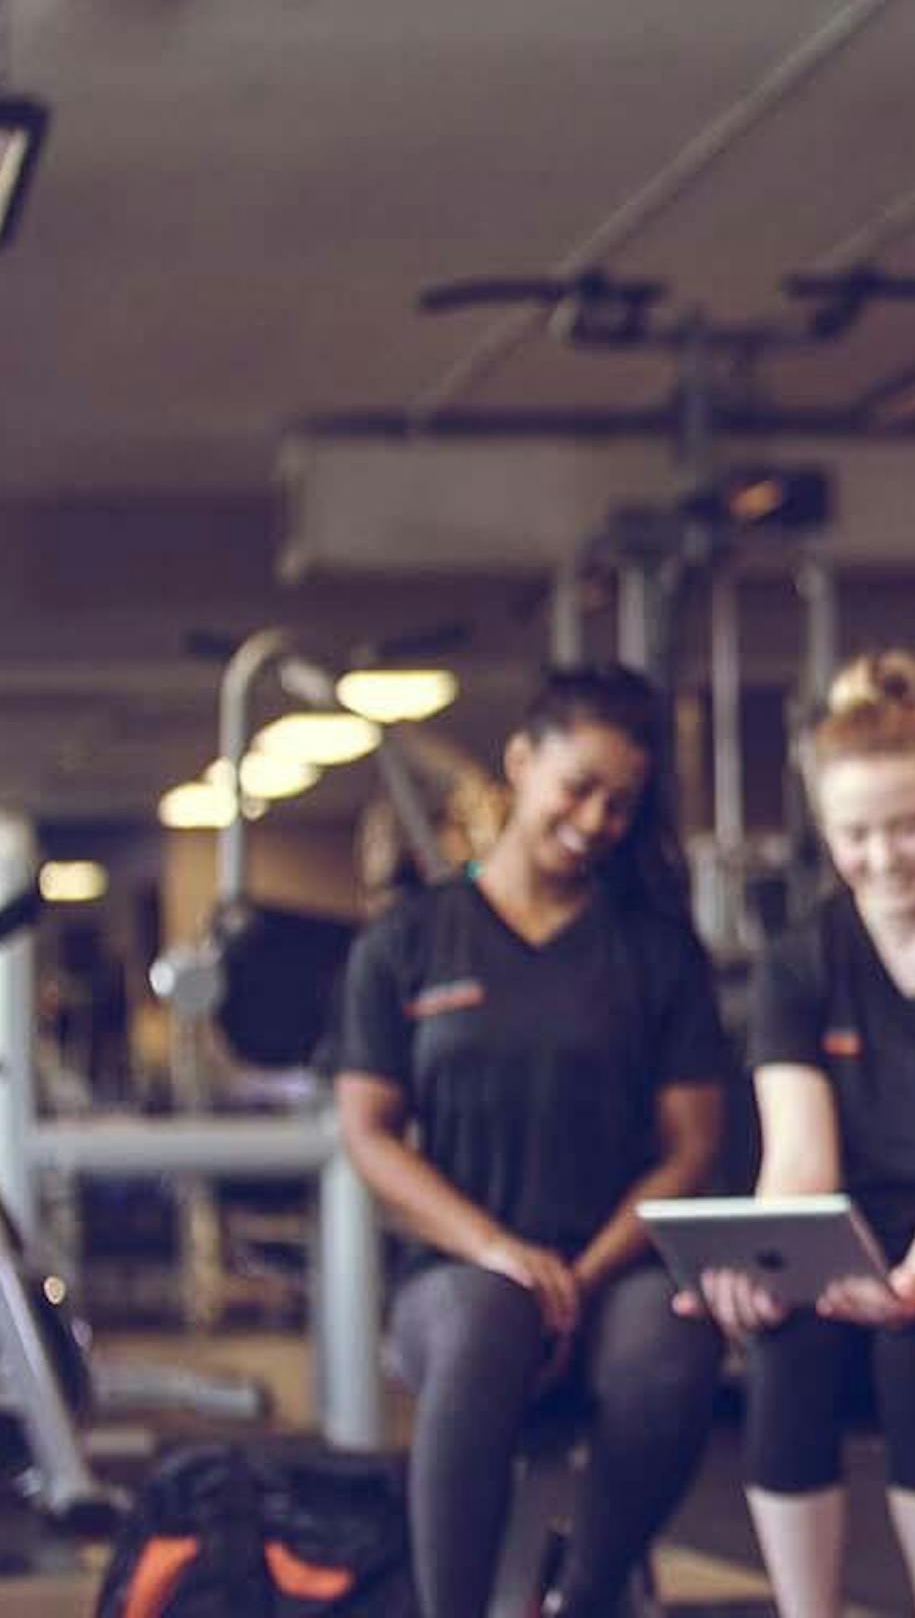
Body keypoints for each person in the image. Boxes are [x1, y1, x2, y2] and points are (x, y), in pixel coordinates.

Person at [334, 666, 728, 1618]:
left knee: (674, 1343)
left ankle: (585, 1598)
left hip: (615, 1266)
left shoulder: (657, 951)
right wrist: (500, 1251)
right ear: (521, 761)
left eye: (622, 804)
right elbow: (369, 1133)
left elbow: (692, 1148)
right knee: (488, 1314)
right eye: (579, 787)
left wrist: (580, 1276)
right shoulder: (408, 940)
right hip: (454, 1273)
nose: (596, 819)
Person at [680, 651, 915, 1618]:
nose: (883, 857)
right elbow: (797, 1152)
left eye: (906, 826)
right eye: (855, 836)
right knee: (788, 1342)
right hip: (844, 1216)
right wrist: (775, 1259)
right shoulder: (801, 959)